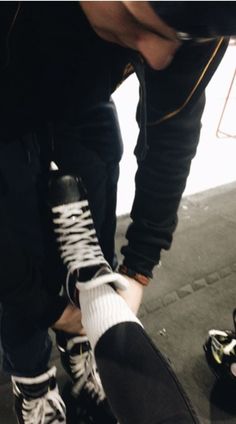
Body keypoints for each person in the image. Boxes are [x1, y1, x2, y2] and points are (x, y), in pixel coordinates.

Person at [0, 1, 235, 423]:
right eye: (141, 23)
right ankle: (32, 379)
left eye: (183, 39)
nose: (160, 57)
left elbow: (173, 128)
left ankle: (81, 343)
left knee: (95, 218)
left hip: (81, 95)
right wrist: (42, 307)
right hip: (9, 89)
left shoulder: (205, 15)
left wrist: (138, 268)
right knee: (18, 248)